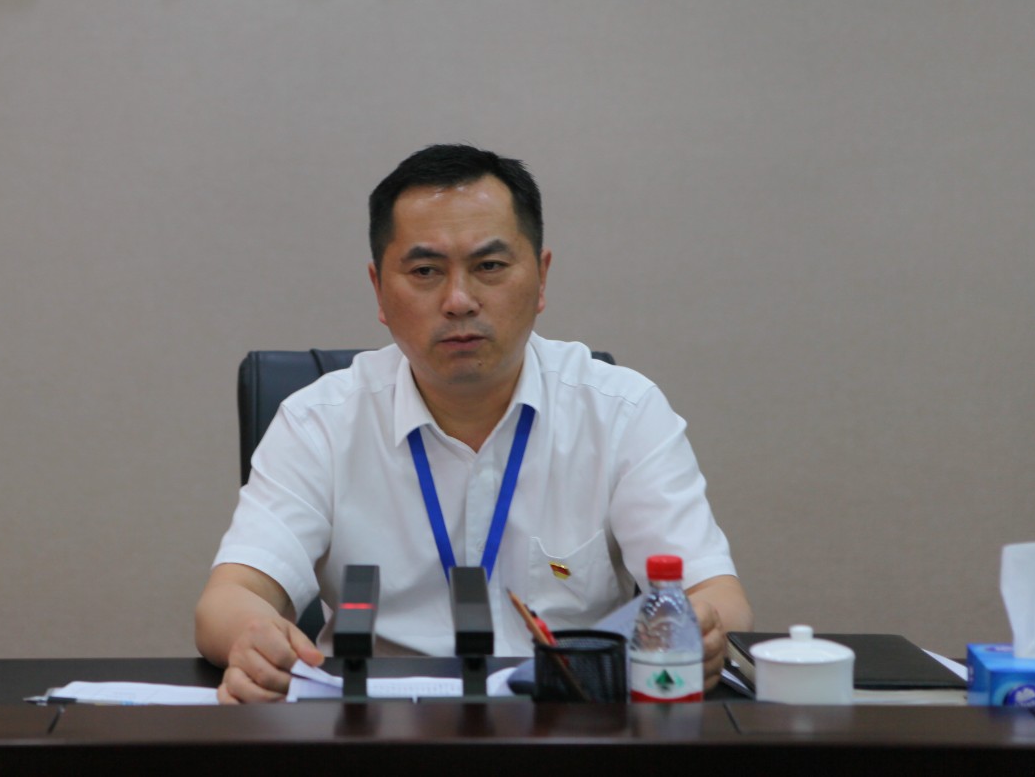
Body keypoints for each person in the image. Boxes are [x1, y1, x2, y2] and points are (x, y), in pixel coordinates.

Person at [195, 144, 752, 703]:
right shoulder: (318, 422)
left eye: (489, 267)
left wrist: (700, 629)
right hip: (377, 726)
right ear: (379, 290)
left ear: (541, 278)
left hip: (571, 721)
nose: (459, 300)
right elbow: (228, 598)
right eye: (425, 271)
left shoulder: (622, 412)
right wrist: (252, 638)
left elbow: (716, 596)